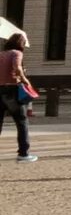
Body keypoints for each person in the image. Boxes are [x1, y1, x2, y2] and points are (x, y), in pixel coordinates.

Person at [0, 27, 29, 162]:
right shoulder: (17, 53)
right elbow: (17, 68)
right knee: (21, 121)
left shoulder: (1, 54)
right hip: (11, 91)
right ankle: (23, 153)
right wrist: (24, 79)